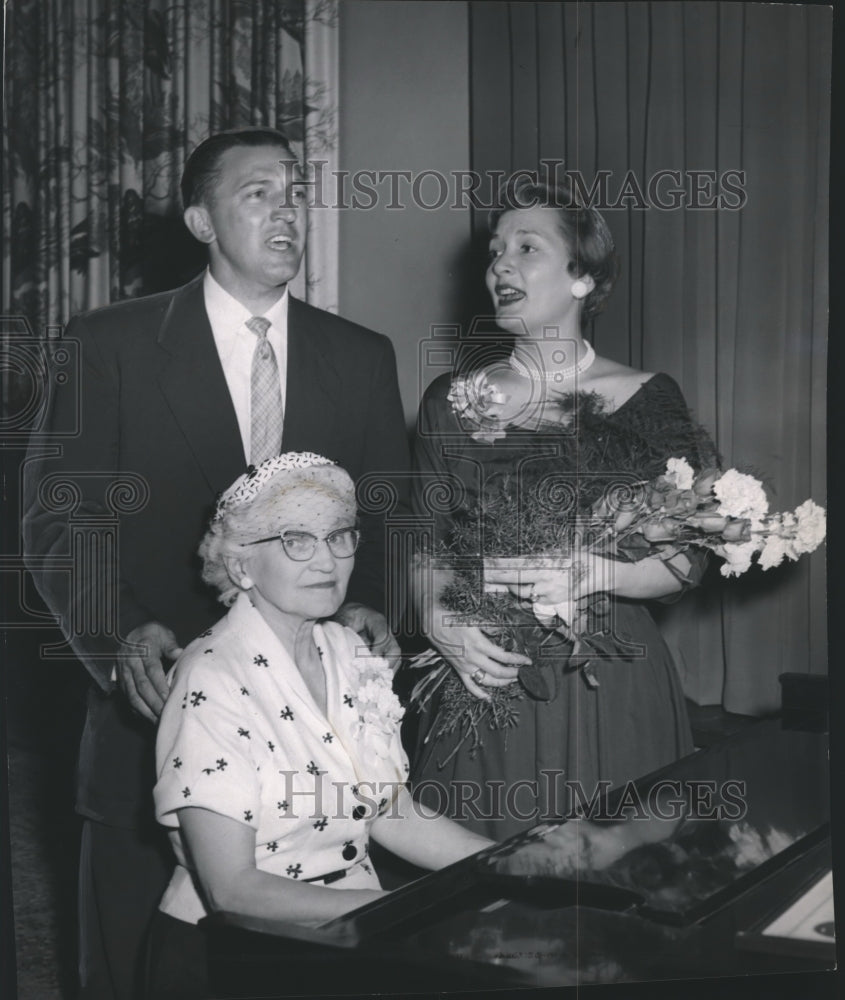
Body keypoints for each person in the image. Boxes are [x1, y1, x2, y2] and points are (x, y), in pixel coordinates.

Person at [23, 127, 410, 999]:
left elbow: (389, 519)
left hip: (314, 730)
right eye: (257, 193)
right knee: (129, 968)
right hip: (150, 719)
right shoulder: (106, 343)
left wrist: (372, 604)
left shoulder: (361, 355)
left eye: (296, 193)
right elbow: (60, 520)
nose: (286, 211)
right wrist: (117, 633)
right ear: (200, 219)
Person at [408, 172, 716, 841]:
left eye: (526, 247)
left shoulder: (645, 397)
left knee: (615, 890)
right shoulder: (449, 399)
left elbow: (688, 557)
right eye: (495, 250)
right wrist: (436, 617)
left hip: (606, 683)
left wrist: (597, 572)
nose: (499, 264)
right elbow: (427, 542)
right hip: (485, 672)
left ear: (582, 278)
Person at [147, 453, 492, 998]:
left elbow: (389, 812)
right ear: (241, 566)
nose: (327, 561)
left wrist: (505, 863)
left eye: (338, 536)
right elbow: (231, 889)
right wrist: (411, 912)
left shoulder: (349, 649)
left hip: (352, 934)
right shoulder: (211, 677)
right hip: (237, 954)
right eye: (295, 540)